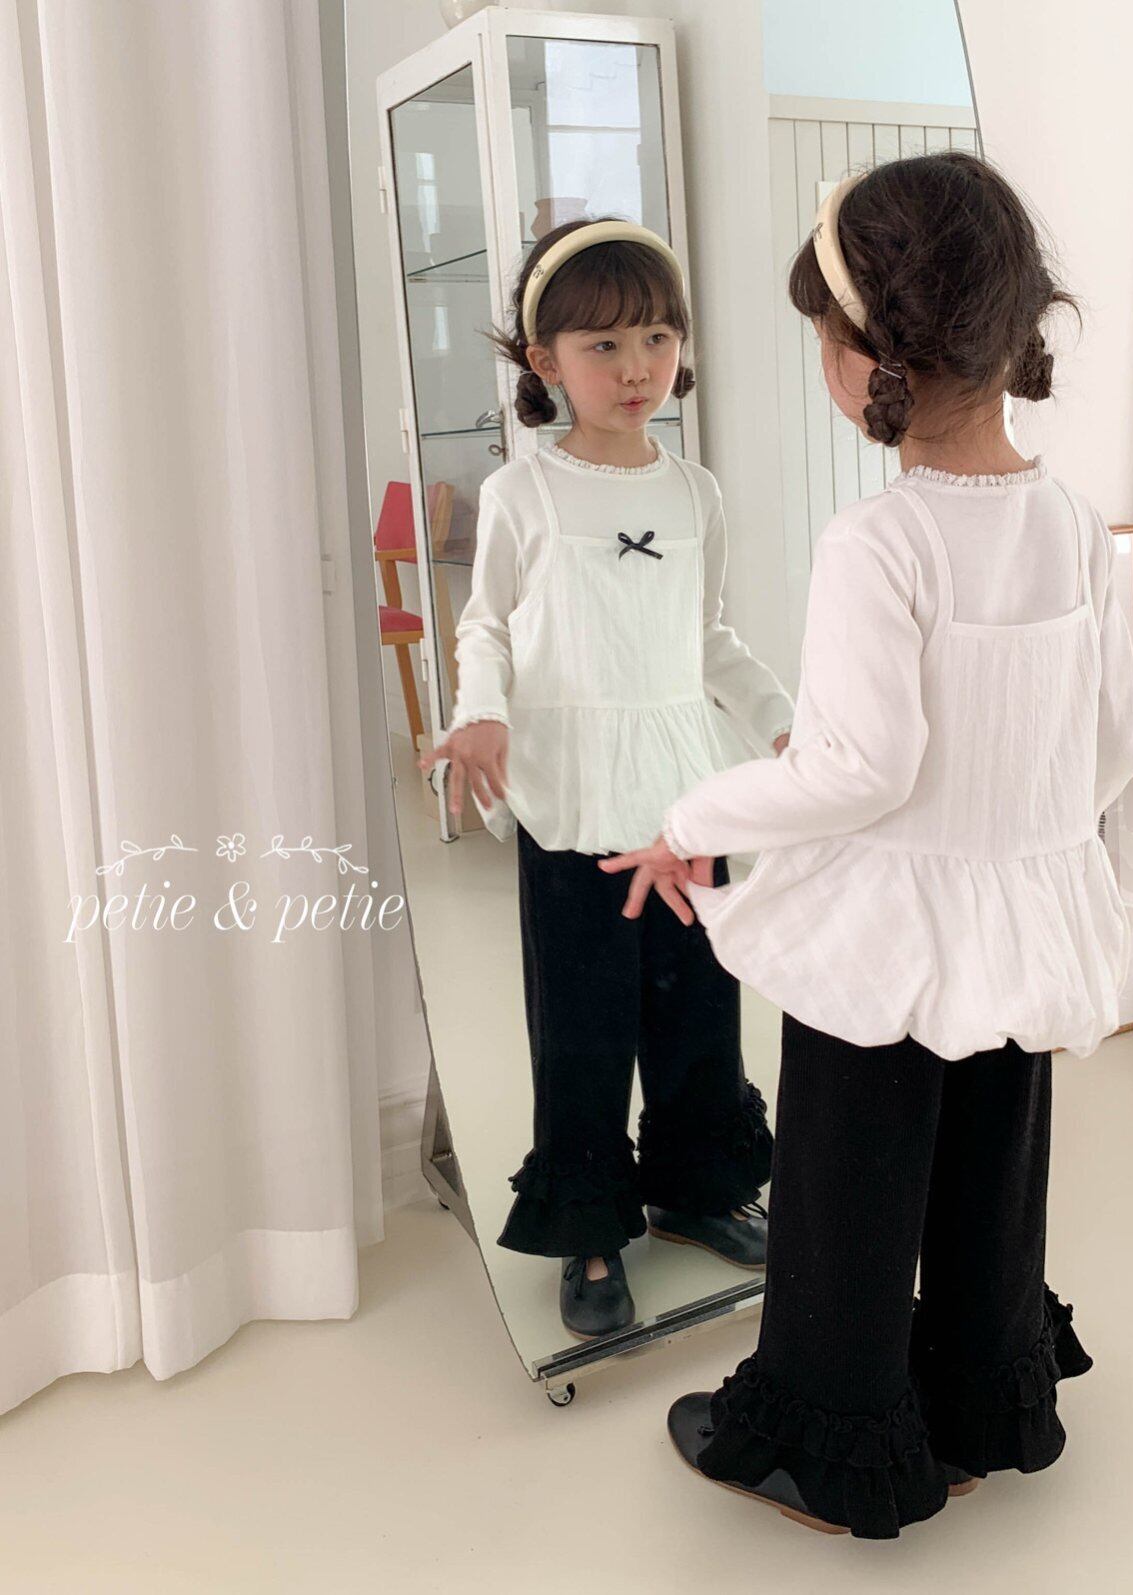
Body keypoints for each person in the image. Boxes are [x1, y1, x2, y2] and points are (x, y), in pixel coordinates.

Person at [601, 153, 1133, 1537]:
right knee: (989, 1171)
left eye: (821, 338)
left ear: (868, 358)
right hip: (1020, 918)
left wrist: (691, 820)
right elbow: (1117, 732)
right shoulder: (1072, 523)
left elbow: (860, 767)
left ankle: (830, 1434)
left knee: (846, 1184)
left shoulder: (881, 540)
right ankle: (978, 1400)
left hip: (888, 936)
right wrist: (1022, 830)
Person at [424, 218, 795, 1340]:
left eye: (656, 337)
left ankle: (697, 1188)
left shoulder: (696, 492)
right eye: (603, 345)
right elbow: (485, 625)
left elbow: (710, 636)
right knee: (583, 1026)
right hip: (573, 794)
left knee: (699, 1009)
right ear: (545, 361)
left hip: (682, 794)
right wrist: (480, 712)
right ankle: (589, 1222)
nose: (637, 367)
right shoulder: (521, 493)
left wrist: (785, 725)